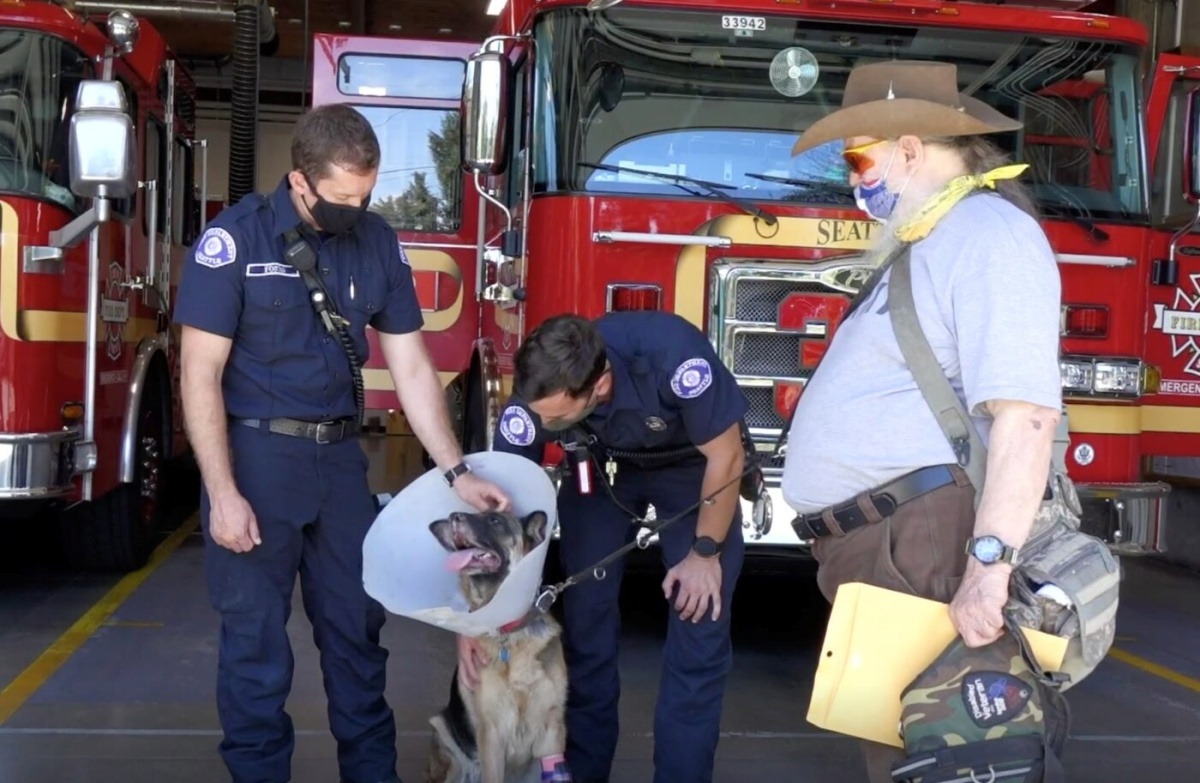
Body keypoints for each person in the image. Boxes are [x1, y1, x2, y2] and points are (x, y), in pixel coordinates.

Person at [175, 103, 510, 783]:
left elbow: (412, 367)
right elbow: (199, 375)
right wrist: (223, 493)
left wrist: (457, 470)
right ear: (301, 182)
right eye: (342, 199)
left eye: (367, 195)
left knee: (358, 640)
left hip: (338, 465)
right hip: (257, 462)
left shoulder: (377, 242)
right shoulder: (234, 240)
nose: (356, 209)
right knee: (257, 651)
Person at [780, 60, 1064, 783]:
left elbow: (1026, 417)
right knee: (910, 757)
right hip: (889, 543)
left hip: (923, 538)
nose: (852, 176)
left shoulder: (988, 232)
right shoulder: (938, 234)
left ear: (910, 148)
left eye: (858, 155)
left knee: (947, 758)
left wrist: (988, 571)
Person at [459, 312, 749, 783]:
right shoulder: (539, 393)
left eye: (554, 417)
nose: (542, 423)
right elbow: (503, 508)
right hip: (601, 466)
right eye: (539, 416)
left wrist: (704, 553)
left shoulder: (672, 357)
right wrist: (478, 615)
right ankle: (583, 772)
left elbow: (727, 454)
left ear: (600, 384)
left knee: (700, 624)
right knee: (587, 625)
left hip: (693, 469)